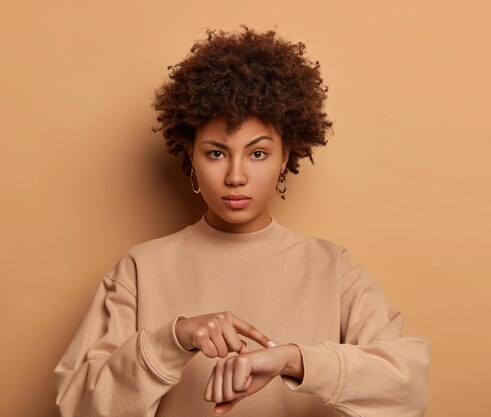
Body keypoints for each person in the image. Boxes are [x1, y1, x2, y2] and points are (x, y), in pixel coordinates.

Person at [53, 25, 430, 417]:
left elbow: (408, 388)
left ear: (285, 156)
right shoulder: (140, 270)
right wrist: (174, 340)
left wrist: (293, 361)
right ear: (191, 156)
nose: (235, 175)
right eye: (216, 154)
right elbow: (78, 405)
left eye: (258, 154)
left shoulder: (332, 270)